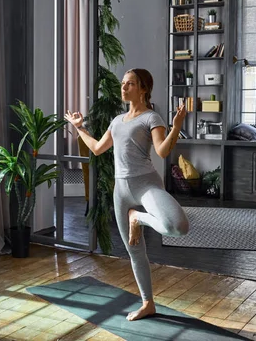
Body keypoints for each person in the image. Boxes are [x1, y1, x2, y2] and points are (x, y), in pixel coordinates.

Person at [64, 68, 189, 321]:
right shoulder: (117, 121)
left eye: (130, 84)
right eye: (123, 83)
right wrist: (80, 128)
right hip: (121, 190)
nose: (124, 88)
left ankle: (137, 218)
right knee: (135, 252)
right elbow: (98, 149)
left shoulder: (152, 118)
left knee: (178, 226)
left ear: (143, 89)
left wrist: (176, 127)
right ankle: (148, 303)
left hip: (146, 185)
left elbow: (163, 151)